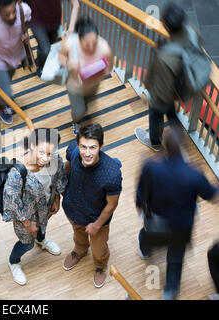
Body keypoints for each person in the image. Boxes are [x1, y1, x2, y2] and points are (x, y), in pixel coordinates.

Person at [136, 128, 218, 300]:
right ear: (183, 149)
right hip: (181, 225)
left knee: (149, 235)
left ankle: (145, 249)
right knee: (175, 257)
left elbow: (140, 192)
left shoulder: (151, 167)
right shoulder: (194, 174)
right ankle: (170, 291)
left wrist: (141, 209)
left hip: (156, 219)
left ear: (166, 147)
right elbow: (211, 195)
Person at [4, 128, 67, 286]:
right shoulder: (17, 173)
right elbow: (11, 202)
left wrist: (57, 198)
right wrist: (27, 223)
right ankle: (14, 262)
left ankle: (42, 240)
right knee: (27, 243)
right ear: (31, 145)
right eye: (41, 152)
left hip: (45, 207)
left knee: (43, 228)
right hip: (25, 216)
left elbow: (58, 176)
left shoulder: (55, 158)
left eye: (49, 154)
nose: (45, 158)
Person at [62, 123, 122, 288]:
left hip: (96, 219)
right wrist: (64, 189)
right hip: (74, 209)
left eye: (92, 148)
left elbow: (112, 204)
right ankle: (79, 250)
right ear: (78, 144)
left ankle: (100, 266)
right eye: (83, 147)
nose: (87, 153)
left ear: (101, 147)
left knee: (99, 249)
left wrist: (96, 225)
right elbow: (67, 167)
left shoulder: (111, 174)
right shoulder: (73, 151)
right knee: (78, 235)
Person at [135, 2, 196, 151]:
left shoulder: (165, 54)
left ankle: (155, 141)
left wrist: (150, 94)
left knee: (156, 115)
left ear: (166, 25)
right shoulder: (188, 37)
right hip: (177, 89)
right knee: (171, 112)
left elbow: (160, 86)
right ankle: (178, 135)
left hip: (163, 93)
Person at [59, 8, 113, 137]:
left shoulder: (104, 47)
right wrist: (69, 66)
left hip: (93, 85)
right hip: (75, 86)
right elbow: (61, 57)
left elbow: (109, 68)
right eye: (86, 43)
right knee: (79, 110)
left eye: (94, 42)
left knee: (88, 106)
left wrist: (99, 70)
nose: (91, 46)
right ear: (79, 38)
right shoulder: (70, 44)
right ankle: (76, 122)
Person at [28, 0, 78, 72]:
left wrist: (71, 28)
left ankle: (41, 58)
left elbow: (76, 4)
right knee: (46, 50)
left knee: (48, 45)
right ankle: (41, 67)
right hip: (37, 22)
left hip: (54, 22)